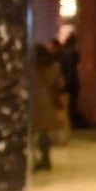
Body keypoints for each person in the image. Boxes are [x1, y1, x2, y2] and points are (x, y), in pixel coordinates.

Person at [32, 42, 66, 171]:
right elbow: (60, 84)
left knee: (36, 132)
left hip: (34, 101)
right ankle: (45, 158)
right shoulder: (54, 66)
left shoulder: (33, 67)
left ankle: (38, 158)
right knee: (44, 132)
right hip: (47, 100)